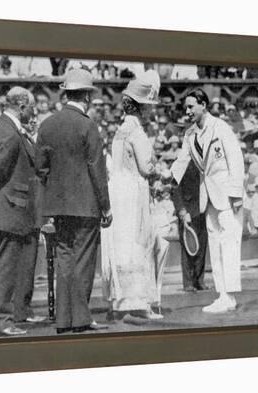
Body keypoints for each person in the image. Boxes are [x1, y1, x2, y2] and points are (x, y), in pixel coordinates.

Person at [36, 68, 112, 334]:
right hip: (86, 205)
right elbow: (97, 169)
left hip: (58, 206)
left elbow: (41, 168)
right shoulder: (87, 126)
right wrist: (106, 205)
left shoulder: (47, 125)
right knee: (83, 263)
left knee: (65, 261)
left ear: (66, 93)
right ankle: (80, 319)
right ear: (88, 96)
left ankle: (64, 320)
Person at [100, 71, 170, 321]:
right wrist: (160, 172)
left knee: (122, 245)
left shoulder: (120, 130)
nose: (152, 112)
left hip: (118, 191)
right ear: (142, 108)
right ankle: (140, 303)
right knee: (140, 243)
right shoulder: (137, 133)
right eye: (150, 108)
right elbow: (145, 167)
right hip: (133, 192)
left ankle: (119, 302)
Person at [171, 88, 245, 313]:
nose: (188, 111)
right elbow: (181, 163)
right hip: (208, 196)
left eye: (191, 106)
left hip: (227, 196)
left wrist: (236, 194)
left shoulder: (221, 128)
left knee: (229, 243)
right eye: (186, 107)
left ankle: (230, 295)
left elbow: (236, 159)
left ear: (203, 105)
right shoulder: (190, 134)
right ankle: (222, 294)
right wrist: (162, 177)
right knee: (215, 243)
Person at [0, 86, 42, 337]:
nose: (33, 112)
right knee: (4, 270)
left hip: (1, 210)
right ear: (22, 105)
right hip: (6, 210)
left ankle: (1, 320)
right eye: (32, 108)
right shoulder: (11, 133)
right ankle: (0, 323)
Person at [172, 161, 209, 292]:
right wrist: (182, 211)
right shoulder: (180, 165)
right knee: (188, 250)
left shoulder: (204, 164)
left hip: (202, 212)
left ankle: (199, 281)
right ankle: (188, 283)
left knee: (202, 248)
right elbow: (175, 190)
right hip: (187, 213)